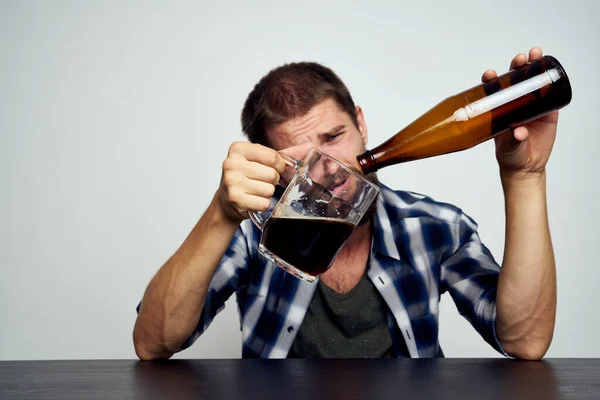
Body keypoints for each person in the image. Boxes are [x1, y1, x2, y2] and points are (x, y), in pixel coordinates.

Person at [133, 47, 557, 360]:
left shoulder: (434, 225)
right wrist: (220, 213)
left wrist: (525, 176)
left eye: (334, 138)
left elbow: (525, 341)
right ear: (273, 165)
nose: (331, 169)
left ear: (361, 123)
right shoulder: (255, 232)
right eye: (302, 159)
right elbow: (152, 342)